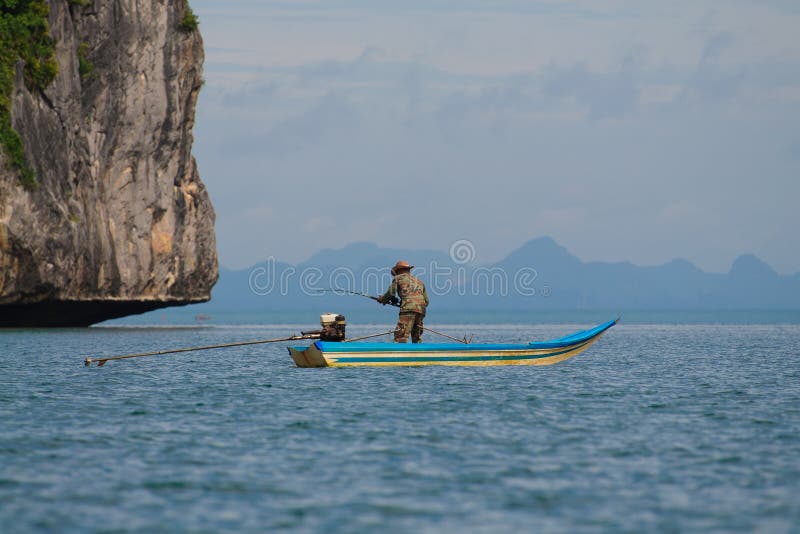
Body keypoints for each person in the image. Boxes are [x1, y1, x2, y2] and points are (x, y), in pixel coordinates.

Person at [377, 260, 429, 343]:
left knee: (400, 337)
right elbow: (426, 301)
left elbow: (391, 293)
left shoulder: (398, 278)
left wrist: (382, 299)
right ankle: (419, 353)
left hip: (408, 310)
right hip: (421, 310)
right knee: (417, 338)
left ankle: (399, 354)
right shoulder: (419, 282)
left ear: (399, 271)